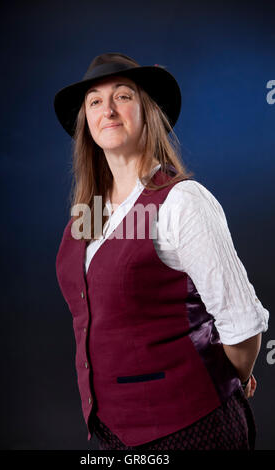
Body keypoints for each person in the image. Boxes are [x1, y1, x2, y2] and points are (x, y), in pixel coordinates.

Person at [54, 52, 269, 450]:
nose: (109, 110)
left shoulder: (183, 201)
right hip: (113, 433)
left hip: (192, 429)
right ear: (87, 123)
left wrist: (219, 379)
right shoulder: (88, 214)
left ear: (148, 112)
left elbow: (242, 328)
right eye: (96, 102)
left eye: (123, 96)